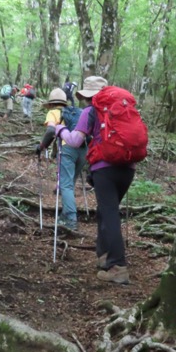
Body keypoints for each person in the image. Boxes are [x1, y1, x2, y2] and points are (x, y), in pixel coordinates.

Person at [54, 76, 135, 284]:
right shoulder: (122, 109)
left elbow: (74, 141)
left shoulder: (91, 111)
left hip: (104, 169)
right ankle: (104, 256)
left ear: (88, 95)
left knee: (109, 214)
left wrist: (60, 129)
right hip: (127, 168)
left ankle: (118, 267)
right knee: (105, 211)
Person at [35, 88, 85, 231]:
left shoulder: (53, 112)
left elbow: (51, 131)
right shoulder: (77, 112)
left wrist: (42, 146)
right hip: (83, 149)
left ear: (51, 104)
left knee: (66, 185)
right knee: (69, 183)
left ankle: (70, 219)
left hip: (67, 149)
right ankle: (65, 213)